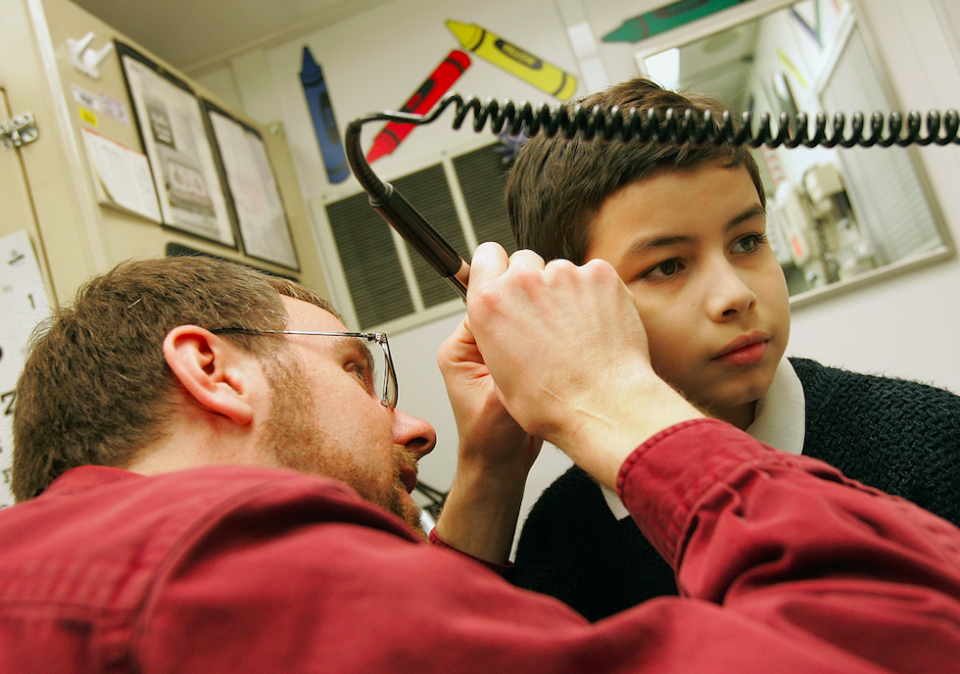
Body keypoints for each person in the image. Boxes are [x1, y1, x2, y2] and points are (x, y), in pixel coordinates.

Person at [2, 251, 960, 674]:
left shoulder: (75, 580)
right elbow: (894, 650)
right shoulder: (203, 565)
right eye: (356, 370)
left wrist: (491, 470)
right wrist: (610, 398)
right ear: (210, 369)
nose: (415, 427)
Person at [438, 76, 960, 622]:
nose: (735, 294)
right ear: (570, 308)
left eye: (747, 242)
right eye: (667, 266)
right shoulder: (560, 539)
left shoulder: (928, 437)